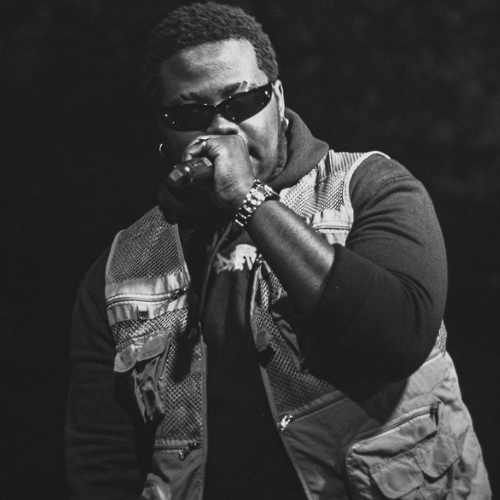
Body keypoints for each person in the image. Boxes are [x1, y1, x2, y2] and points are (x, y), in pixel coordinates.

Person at [65, 3, 491, 499]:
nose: (221, 128)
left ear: (279, 99)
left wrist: (247, 198)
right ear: (164, 130)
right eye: (190, 113)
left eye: (242, 102)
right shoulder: (120, 268)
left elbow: (399, 336)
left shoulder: (369, 187)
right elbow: (101, 459)